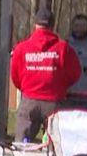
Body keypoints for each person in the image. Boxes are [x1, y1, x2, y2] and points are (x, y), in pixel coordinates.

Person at [10, 8, 82, 141]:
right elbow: (75, 73)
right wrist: (61, 86)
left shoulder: (22, 48)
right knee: (57, 145)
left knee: (21, 145)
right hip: (54, 102)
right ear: (52, 26)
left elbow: (15, 75)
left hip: (29, 100)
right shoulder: (63, 48)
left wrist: (26, 87)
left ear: (35, 25)